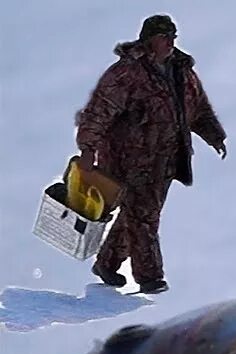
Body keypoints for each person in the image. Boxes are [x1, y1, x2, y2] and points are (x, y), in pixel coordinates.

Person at [76, 14, 227, 294]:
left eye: (173, 36)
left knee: (138, 212)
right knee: (144, 217)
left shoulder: (182, 72)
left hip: (166, 160)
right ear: (149, 40)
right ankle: (150, 278)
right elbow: (99, 110)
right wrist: (88, 148)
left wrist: (214, 135)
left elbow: (199, 108)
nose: (170, 42)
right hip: (127, 158)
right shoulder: (127, 73)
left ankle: (107, 264)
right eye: (164, 36)